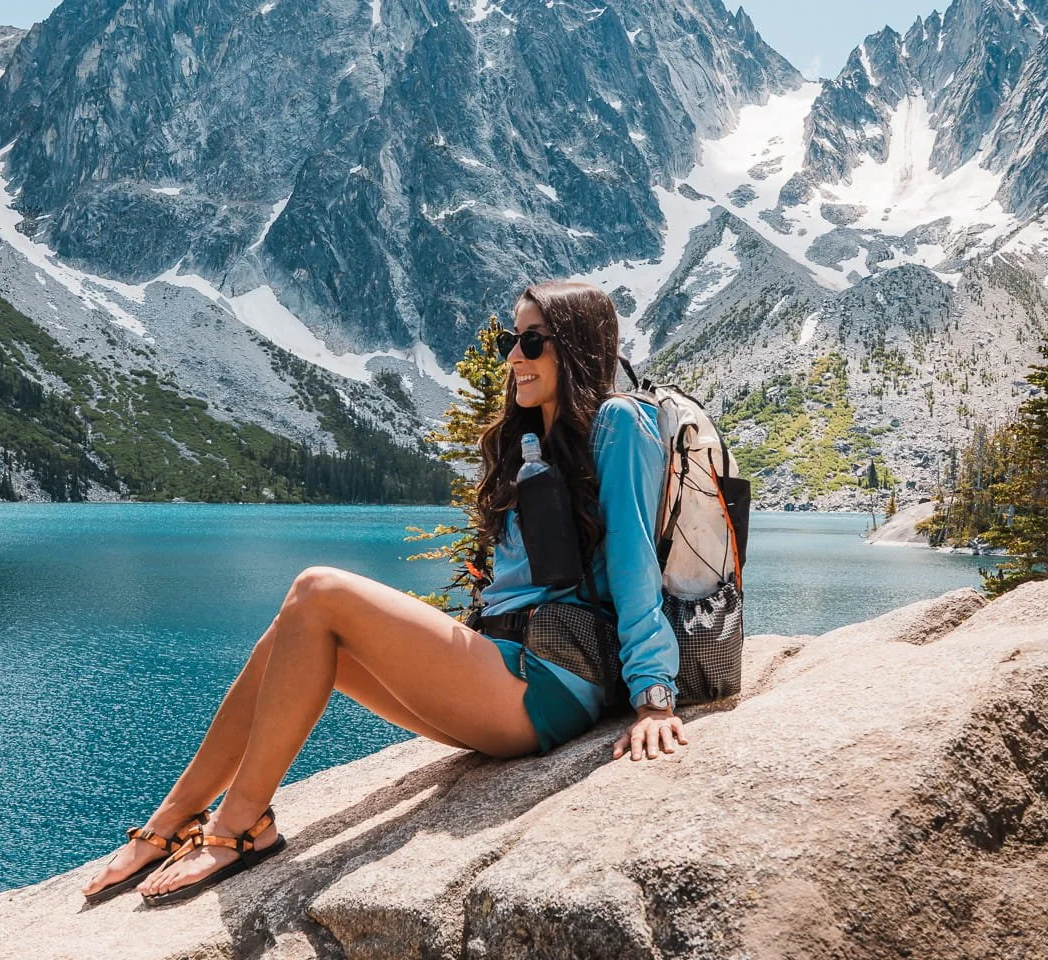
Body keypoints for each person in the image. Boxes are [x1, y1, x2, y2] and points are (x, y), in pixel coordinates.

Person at [81, 279, 686, 908]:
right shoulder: (533, 437)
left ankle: (239, 827)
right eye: (511, 340)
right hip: (502, 670)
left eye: (533, 341)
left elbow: (633, 560)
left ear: (579, 345)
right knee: (294, 634)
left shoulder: (619, 422)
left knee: (318, 589)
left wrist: (653, 700)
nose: (513, 356)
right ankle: (173, 819)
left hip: (548, 682)